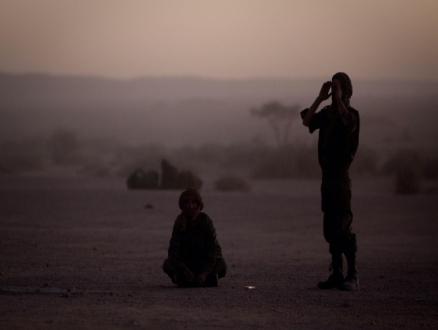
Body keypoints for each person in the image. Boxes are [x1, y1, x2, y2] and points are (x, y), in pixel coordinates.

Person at [301, 72, 360, 291]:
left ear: (346, 90)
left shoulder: (352, 114)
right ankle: (337, 272)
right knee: (330, 228)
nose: (334, 90)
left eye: (338, 87)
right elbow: (307, 121)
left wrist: (337, 99)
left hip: (341, 178)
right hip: (327, 178)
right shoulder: (326, 114)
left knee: (343, 225)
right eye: (332, 86)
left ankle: (353, 274)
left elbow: (347, 122)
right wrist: (320, 98)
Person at [163, 188, 227, 287]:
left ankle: (206, 279)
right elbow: (173, 251)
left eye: (194, 202)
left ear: (199, 204)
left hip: (203, 264)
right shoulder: (180, 223)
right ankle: (182, 279)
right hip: (186, 265)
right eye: (187, 203)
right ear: (183, 205)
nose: (191, 206)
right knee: (167, 264)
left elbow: (215, 249)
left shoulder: (205, 221)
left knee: (222, 263)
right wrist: (185, 269)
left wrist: (205, 272)